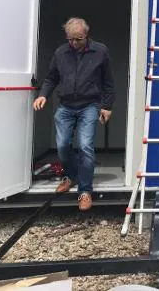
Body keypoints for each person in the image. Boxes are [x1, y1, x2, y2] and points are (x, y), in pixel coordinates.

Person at [33, 17, 115, 211]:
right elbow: (51, 77)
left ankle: (85, 191)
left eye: (78, 39)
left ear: (87, 35)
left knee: (86, 146)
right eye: (70, 39)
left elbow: (108, 82)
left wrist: (107, 107)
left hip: (90, 105)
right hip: (66, 106)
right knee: (62, 146)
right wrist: (43, 95)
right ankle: (71, 175)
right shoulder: (61, 52)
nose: (74, 43)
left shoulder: (100, 51)